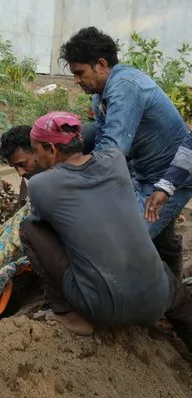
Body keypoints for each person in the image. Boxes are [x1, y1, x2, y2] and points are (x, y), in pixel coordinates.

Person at [20, 111, 192, 350]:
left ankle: (68, 312)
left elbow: (53, 229)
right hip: (158, 300)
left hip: (102, 308)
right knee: (179, 295)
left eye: (35, 149)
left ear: (51, 148)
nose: (35, 158)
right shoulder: (114, 159)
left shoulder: (41, 185)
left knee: (29, 227)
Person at [59, 27, 192, 278]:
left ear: (100, 64)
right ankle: (173, 284)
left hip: (172, 177)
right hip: (144, 173)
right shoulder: (102, 96)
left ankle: (165, 297)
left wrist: (75, 180)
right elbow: (101, 138)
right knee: (155, 234)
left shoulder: (124, 86)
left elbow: (112, 149)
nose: (76, 80)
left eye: (79, 72)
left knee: (129, 241)